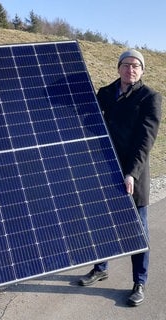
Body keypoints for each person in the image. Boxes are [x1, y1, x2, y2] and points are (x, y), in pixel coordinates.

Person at [78, 49, 162, 306]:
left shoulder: (150, 98)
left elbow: (145, 141)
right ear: (118, 68)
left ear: (142, 71)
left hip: (133, 173)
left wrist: (131, 173)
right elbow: (87, 121)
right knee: (102, 223)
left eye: (136, 66)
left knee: (137, 229)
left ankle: (139, 281)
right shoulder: (104, 93)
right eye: (126, 65)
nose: (131, 70)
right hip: (104, 169)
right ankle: (101, 267)